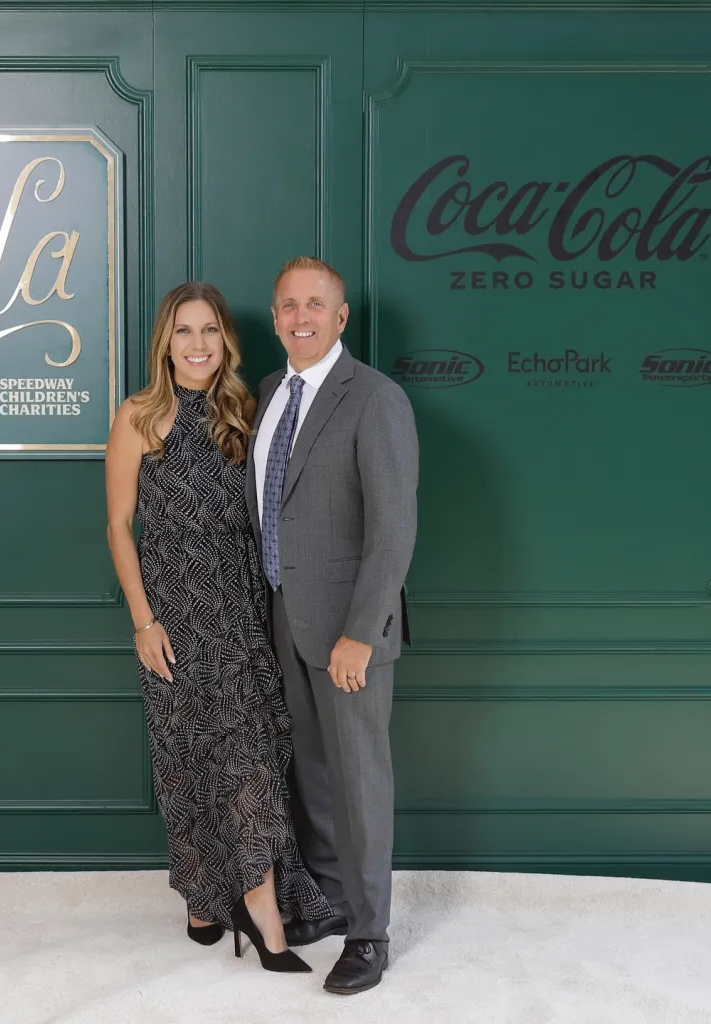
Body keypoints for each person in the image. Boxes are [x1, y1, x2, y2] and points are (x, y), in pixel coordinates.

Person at [105, 281, 333, 974]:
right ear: (165, 344)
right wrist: (143, 622)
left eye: (209, 330)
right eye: (184, 331)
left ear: (225, 341)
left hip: (240, 611)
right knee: (184, 762)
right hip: (172, 616)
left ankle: (263, 911)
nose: (197, 344)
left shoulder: (247, 413)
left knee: (251, 759)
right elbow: (118, 525)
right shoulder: (139, 416)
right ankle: (203, 899)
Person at [246, 257, 419, 995]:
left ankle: (370, 935)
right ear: (275, 316)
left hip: (350, 632)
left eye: (315, 304)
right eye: (289, 305)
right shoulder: (268, 392)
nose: (301, 317)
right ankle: (330, 902)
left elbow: (393, 529)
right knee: (312, 774)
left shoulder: (374, 398)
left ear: (340, 317)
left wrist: (362, 631)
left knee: (358, 781)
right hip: (284, 616)